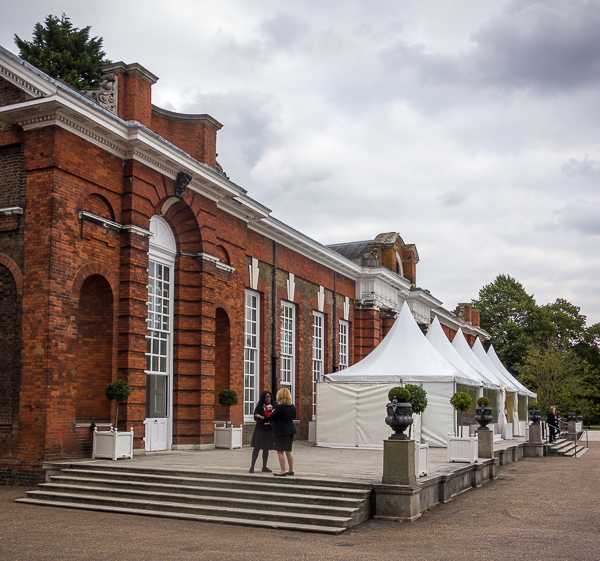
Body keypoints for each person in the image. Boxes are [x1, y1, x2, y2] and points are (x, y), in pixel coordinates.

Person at [268, 388, 296, 476]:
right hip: (290, 430)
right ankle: (290, 470)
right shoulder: (292, 406)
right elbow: (294, 417)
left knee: (280, 451)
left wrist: (269, 410)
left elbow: (271, 417)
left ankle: (283, 470)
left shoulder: (279, 407)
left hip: (281, 431)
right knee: (288, 451)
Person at [249, 391, 275, 473]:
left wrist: (262, 417)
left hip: (268, 430)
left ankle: (264, 467)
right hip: (260, 429)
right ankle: (252, 466)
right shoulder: (259, 407)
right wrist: (265, 418)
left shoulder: (273, 407)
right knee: (256, 448)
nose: (268, 398)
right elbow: (256, 418)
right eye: (266, 397)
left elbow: (272, 418)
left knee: (266, 449)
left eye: (269, 397)